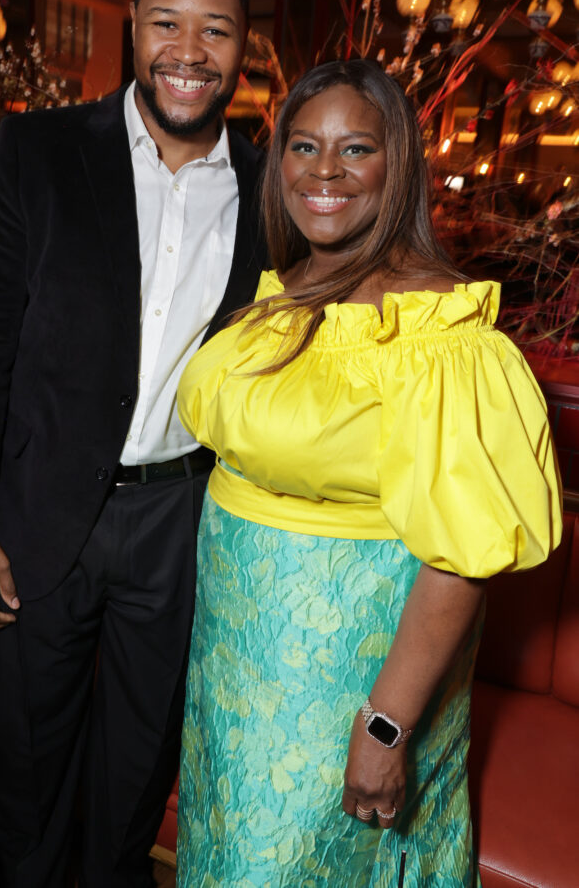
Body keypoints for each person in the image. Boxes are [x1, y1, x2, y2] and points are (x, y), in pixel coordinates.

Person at [0, 0, 265, 888]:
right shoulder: (37, 151)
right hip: (38, 515)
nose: (188, 51)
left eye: (216, 29)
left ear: (243, 46)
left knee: (138, 761)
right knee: (29, 761)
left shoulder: (271, 183)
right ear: (134, 25)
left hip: (181, 523)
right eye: (167, 22)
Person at [175, 59, 563, 886]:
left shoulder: (437, 334)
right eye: (304, 146)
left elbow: (461, 554)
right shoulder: (285, 291)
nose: (324, 170)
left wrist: (386, 726)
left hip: (342, 683)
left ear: (400, 166)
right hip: (239, 673)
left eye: (356, 149)